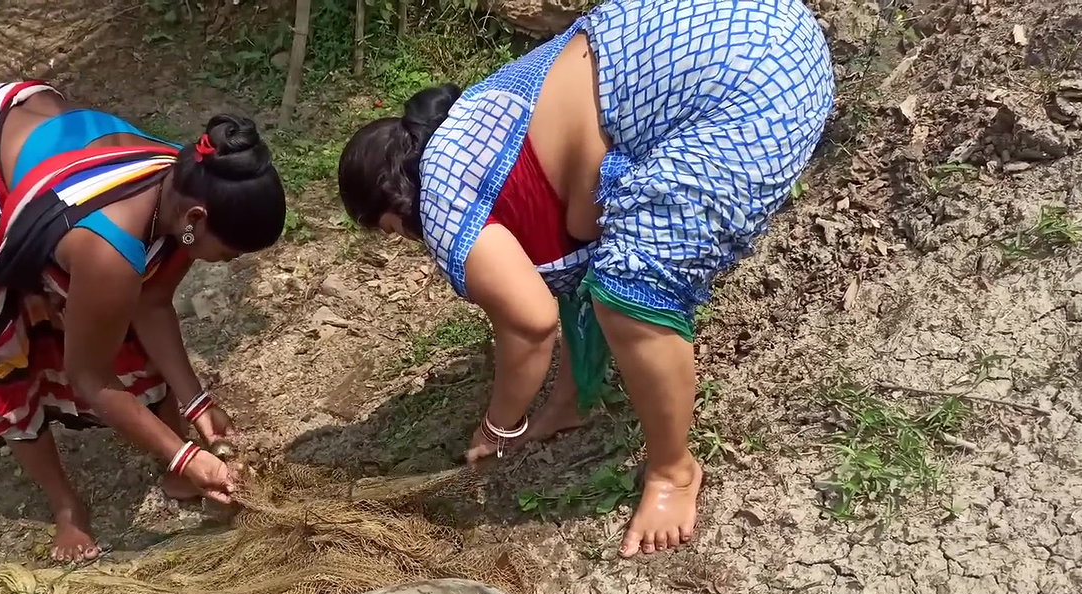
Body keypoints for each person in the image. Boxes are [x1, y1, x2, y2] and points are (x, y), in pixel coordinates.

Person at [337, 0, 833, 557]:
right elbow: (569, 277)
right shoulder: (474, 130)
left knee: (630, 296)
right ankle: (574, 403)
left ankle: (673, 472)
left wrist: (499, 425)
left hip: (752, 85)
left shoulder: (444, 206)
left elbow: (530, 324)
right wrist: (559, 399)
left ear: (390, 213)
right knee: (600, 277)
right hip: (742, 24)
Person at [0, 82, 286, 562]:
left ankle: (178, 472)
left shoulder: (189, 186)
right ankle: (66, 506)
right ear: (196, 217)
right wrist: (185, 453)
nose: (228, 261)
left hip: (21, 140)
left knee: (113, 309)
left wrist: (198, 404)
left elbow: (151, 303)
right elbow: (89, 377)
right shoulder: (111, 248)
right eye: (230, 251)